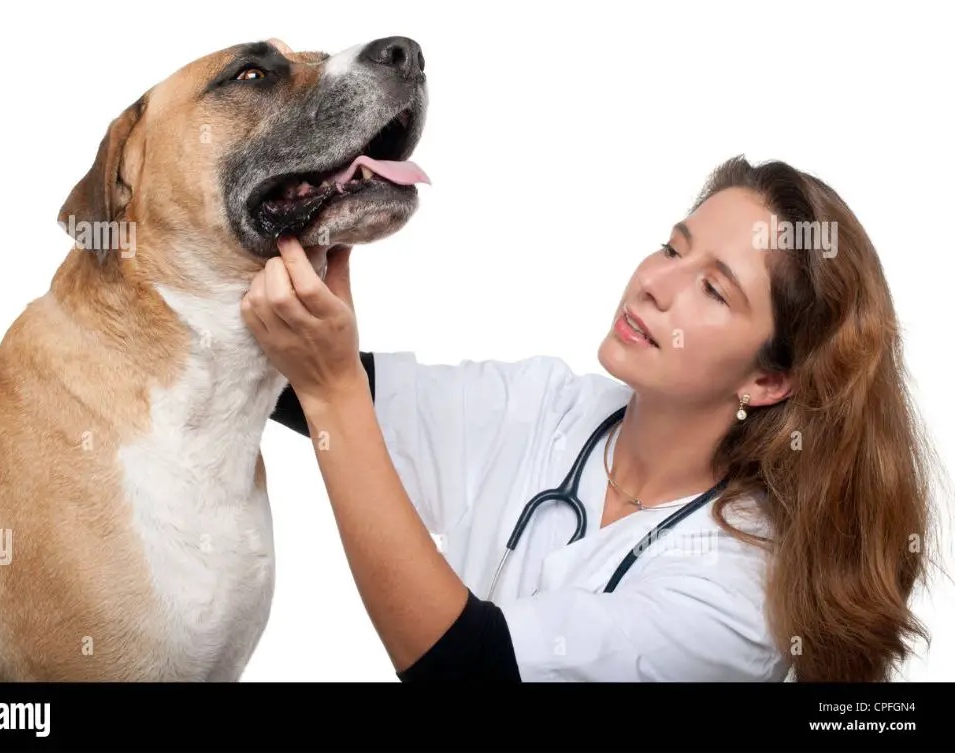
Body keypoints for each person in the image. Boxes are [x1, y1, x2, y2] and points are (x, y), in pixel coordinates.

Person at [241, 155, 946, 682]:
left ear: (767, 380)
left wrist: (331, 386)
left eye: (711, 288)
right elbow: (298, 385)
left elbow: (465, 669)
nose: (655, 282)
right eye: (673, 246)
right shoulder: (553, 407)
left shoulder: (736, 593)